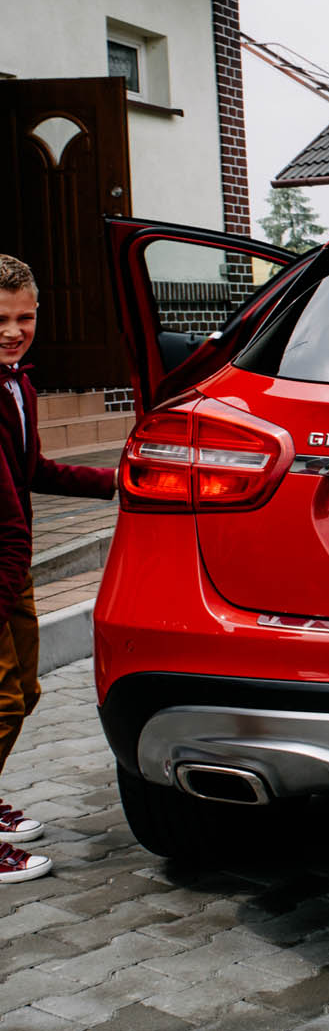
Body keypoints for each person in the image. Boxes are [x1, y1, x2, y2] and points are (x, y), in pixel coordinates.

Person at [0, 255, 117, 884]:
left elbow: (33, 473)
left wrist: (117, 481)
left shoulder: (18, 384)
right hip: (3, 565)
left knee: (25, 692)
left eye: (24, 317)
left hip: (11, 568)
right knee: (1, 702)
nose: (13, 331)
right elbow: (8, 515)